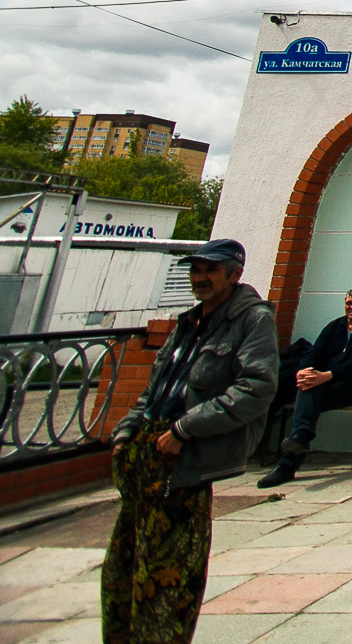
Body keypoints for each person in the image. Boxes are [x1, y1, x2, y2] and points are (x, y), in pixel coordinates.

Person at [103, 238, 278, 644]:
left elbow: (255, 388)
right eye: (195, 270)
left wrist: (186, 429)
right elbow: (158, 386)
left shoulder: (252, 321)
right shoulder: (189, 322)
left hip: (184, 457)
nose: (199, 278)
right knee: (123, 570)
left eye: (210, 270)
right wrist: (128, 430)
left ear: (234, 275)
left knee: (168, 577)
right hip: (146, 449)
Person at [257, 285, 352, 488]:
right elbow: (313, 354)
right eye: (349, 303)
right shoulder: (335, 327)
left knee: (309, 392)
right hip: (321, 384)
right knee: (307, 388)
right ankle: (298, 441)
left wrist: (328, 375)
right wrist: (305, 372)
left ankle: (290, 459)